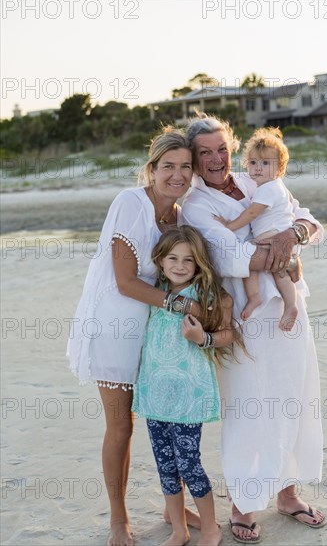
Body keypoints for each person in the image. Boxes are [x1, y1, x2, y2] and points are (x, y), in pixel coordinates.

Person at [181, 115, 326, 543]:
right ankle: (242, 504)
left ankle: (286, 493)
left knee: (291, 397)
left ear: (233, 148)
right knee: (247, 408)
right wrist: (283, 250)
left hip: (289, 310)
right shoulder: (196, 205)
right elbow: (226, 256)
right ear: (193, 158)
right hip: (243, 317)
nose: (215, 158)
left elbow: (309, 222)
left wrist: (294, 233)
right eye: (204, 152)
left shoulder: (258, 177)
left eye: (221, 148)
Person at [67, 127, 202, 546]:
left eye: (185, 167)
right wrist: (184, 307)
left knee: (167, 417)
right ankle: (118, 519)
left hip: (155, 322)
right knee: (121, 425)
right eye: (168, 167)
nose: (177, 175)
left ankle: (172, 506)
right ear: (152, 168)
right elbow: (125, 281)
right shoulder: (130, 203)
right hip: (117, 322)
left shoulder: (179, 215)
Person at [133, 225, 236, 546]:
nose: (179, 266)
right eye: (172, 258)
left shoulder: (206, 296)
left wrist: (202, 337)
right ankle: (178, 528)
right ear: (160, 261)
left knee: (189, 464)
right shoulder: (155, 292)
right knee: (165, 464)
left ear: (198, 263)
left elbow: (228, 333)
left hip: (188, 395)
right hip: (154, 394)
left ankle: (210, 527)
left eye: (188, 260)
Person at [213, 127, 299, 331]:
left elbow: (251, 214)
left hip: (274, 236)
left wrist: (229, 225)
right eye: (253, 163)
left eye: (266, 163)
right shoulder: (267, 186)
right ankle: (259, 298)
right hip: (268, 236)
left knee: (277, 271)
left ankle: (289, 305)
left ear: (280, 168)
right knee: (252, 265)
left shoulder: (269, 188)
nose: (258, 168)